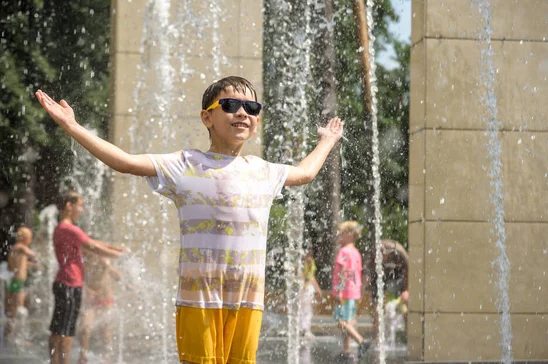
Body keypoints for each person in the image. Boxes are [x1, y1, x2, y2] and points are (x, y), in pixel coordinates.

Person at [35, 75, 344, 364]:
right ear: (207, 117)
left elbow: (305, 173)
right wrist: (72, 127)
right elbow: (126, 163)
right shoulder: (185, 164)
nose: (242, 113)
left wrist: (327, 140)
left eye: (251, 107)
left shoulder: (263, 170)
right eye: (230, 105)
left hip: (248, 300)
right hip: (200, 299)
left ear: (257, 121)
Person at [49, 191, 125, 364]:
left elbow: (93, 242)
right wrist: (119, 256)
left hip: (64, 283)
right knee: (66, 330)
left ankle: (54, 361)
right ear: (69, 206)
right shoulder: (70, 229)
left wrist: (117, 248)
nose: (82, 210)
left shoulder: (62, 229)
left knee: (58, 328)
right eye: (80, 205)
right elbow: (93, 247)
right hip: (70, 283)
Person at [332, 220, 370, 360]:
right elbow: (357, 273)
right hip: (353, 292)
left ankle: (362, 341)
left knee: (341, 321)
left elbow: (343, 272)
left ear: (350, 234)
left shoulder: (344, 251)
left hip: (346, 292)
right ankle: (347, 351)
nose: (339, 236)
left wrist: (340, 291)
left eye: (341, 233)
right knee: (347, 321)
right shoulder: (355, 252)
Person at [78, 253, 122, 364]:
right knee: (85, 328)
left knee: (105, 329)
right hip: (90, 301)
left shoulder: (106, 264)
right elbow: (78, 280)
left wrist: (107, 265)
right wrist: (88, 291)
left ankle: (107, 357)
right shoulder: (85, 262)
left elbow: (119, 277)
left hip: (106, 299)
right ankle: (83, 356)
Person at [370, 238, 409, 344]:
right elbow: (369, 275)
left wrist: (406, 289)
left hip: (398, 277)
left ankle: (408, 336)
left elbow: (410, 268)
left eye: (382, 253)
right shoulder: (374, 256)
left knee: (406, 305)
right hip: (381, 279)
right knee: (376, 307)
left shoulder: (399, 253)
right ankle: (376, 338)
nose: (380, 256)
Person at [4, 225, 37, 346]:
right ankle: (18, 338)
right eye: (30, 238)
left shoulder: (15, 249)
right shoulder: (20, 247)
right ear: (25, 238)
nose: (31, 241)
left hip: (14, 282)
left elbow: (20, 262)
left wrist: (32, 265)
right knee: (19, 310)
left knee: (13, 311)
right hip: (17, 283)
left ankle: (8, 337)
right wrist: (38, 255)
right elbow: (31, 254)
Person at [299, 249, 322, 340]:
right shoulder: (301, 263)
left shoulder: (311, 262)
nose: (309, 257)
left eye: (310, 255)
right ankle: (302, 329)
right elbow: (300, 276)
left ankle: (305, 329)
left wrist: (317, 289)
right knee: (302, 310)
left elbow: (312, 277)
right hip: (303, 289)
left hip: (308, 289)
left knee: (307, 310)